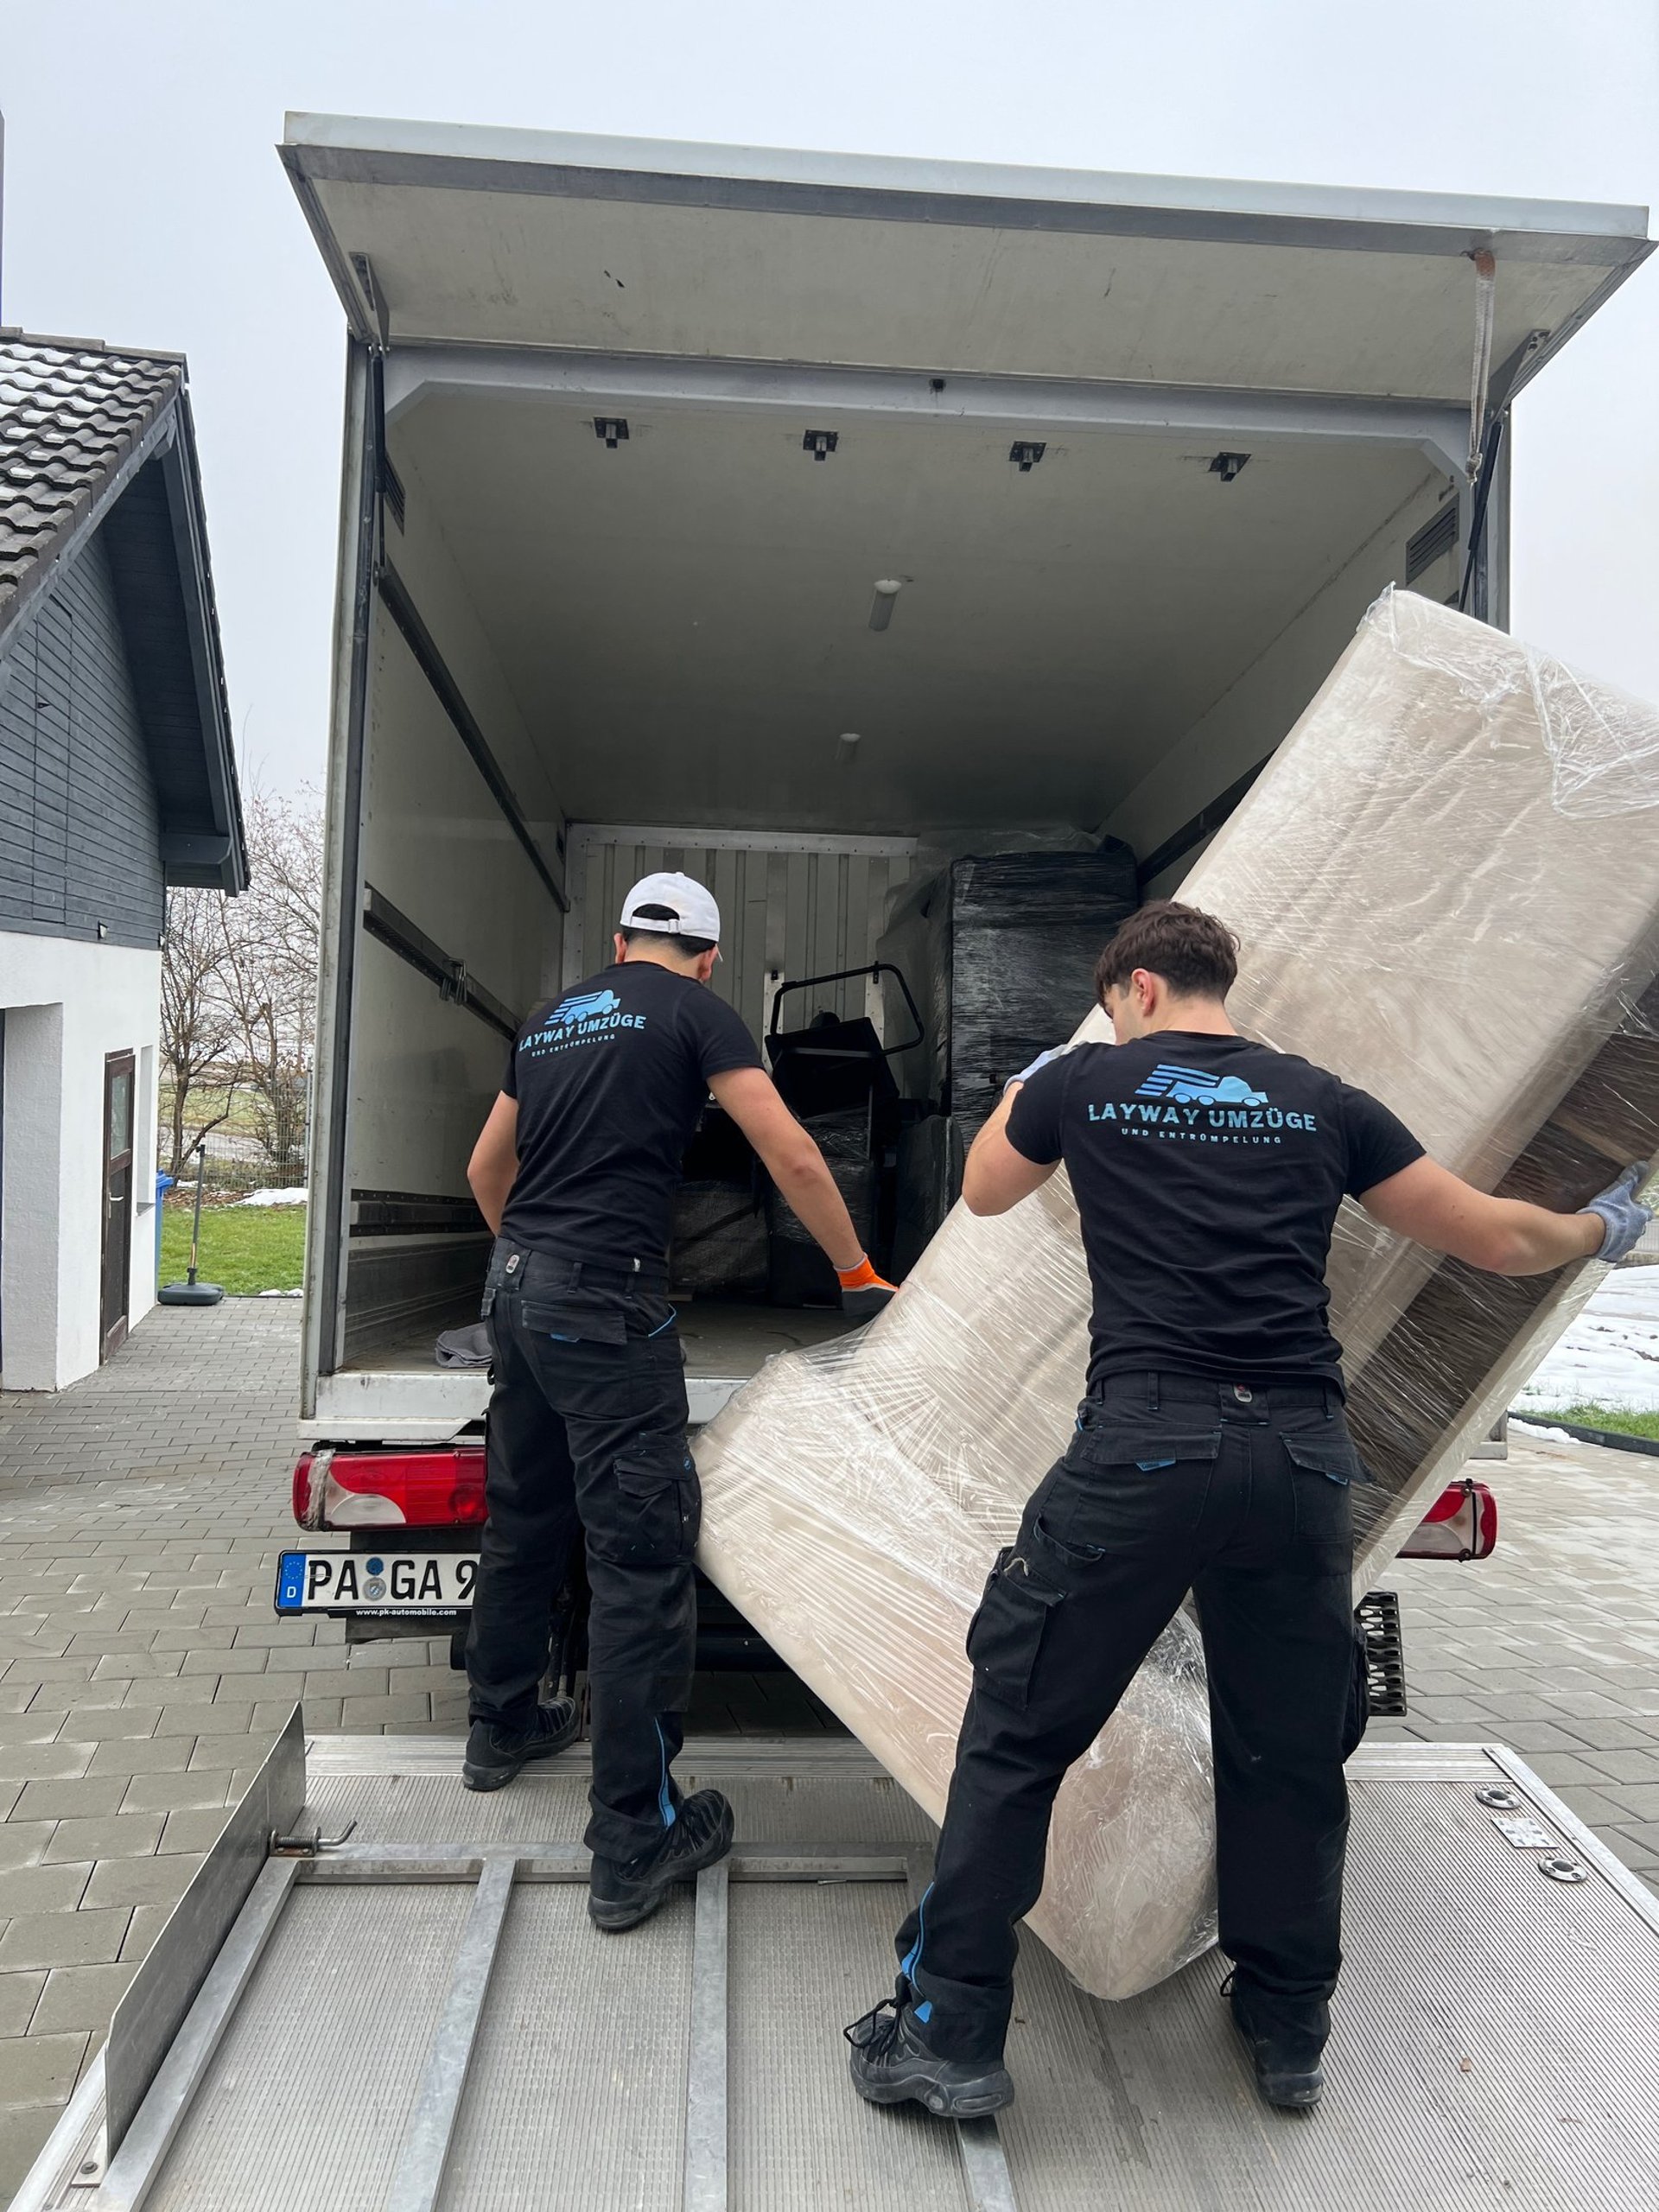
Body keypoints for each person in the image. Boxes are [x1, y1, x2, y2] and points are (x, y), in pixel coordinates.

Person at [846, 899, 1650, 2118]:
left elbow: (988, 1188)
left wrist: (1040, 1080)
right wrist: (1604, 1226)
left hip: (1143, 1453)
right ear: (1219, 983)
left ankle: (951, 2029)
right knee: (1286, 1751)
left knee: (1019, 1731)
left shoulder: (1085, 1082)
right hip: (1299, 1461)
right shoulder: (1324, 1102)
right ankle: (1288, 2025)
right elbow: (1494, 1239)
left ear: (1136, 990)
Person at [462, 871, 896, 1932]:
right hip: (604, 1309)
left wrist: (532, 1263)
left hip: (513, 1291)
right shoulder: (699, 1013)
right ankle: (633, 1841)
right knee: (640, 1564)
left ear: (618, 942)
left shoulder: (550, 1018)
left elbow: (484, 1168)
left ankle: (500, 1726)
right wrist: (855, 1272)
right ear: (708, 957)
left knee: (524, 1519)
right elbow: (789, 1149)